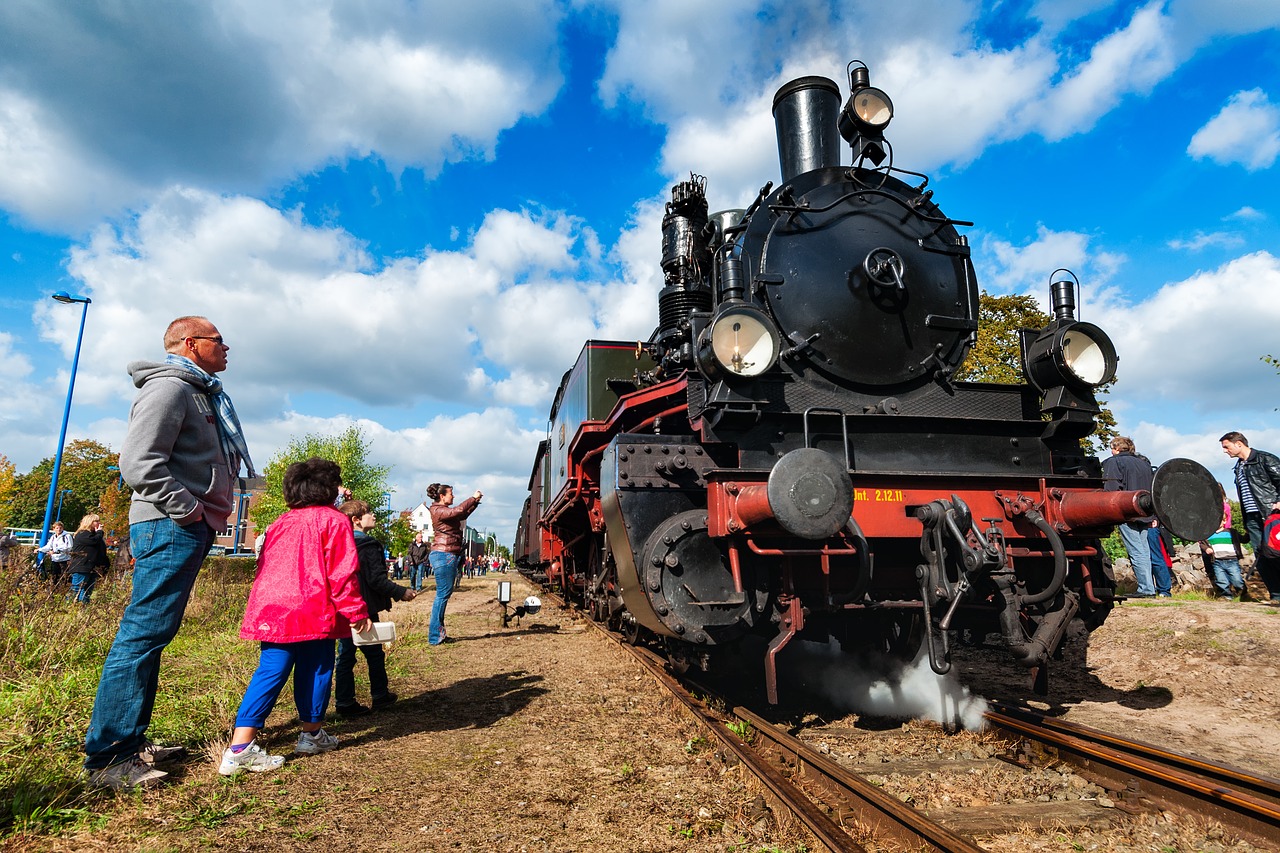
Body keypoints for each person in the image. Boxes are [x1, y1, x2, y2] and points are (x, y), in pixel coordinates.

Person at [84, 316, 256, 791]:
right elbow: (138, 462)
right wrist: (190, 511)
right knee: (142, 634)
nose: (227, 348)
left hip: (182, 526)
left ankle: (129, 742)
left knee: (153, 634)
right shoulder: (170, 389)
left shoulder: (199, 392)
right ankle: (110, 757)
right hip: (169, 525)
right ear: (191, 343)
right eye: (220, 340)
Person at [219, 458, 371, 776]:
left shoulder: (281, 522)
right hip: (313, 607)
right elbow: (343, 573)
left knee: (270, 671)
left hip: (272, 607)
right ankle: (311, 733)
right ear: (327, 488)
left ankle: (240, 746)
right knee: (316, 669)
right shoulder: (334, 521)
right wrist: (357, 612)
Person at [334, 500, 415, 716]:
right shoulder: (368, 546)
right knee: (373, 654)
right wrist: (401, 592)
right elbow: (377, 580)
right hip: (364, 609)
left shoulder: (339, 543)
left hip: (344, 606)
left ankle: (345, 702)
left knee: (346, 656)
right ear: (356, 520)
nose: (373, 516)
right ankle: (379, 696)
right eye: (369, 513)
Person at [1220, 431, 1280, 604]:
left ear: (1239, 444)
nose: (1225, 451)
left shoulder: (1264, 459)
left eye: (1226, 446)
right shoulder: (1239, 467)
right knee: (1261, 556)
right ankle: (1276, 595)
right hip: (1252, 518)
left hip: (1271, 516)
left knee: (1276, 554)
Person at [1101, 436, 1157, 597]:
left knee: (1136, 551)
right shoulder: (1144, 464)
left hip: (1126, 511)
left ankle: (1146, 589)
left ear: (1117, 448)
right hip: (1145, 510)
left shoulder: (1113, 462)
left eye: (1112, 448)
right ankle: (1149, 587)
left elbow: (1111, 488)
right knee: (1144, 551)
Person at [426, 482, 481, 645]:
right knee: (442, 595)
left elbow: (461, 515)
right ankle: (435, 636)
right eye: (451, 493)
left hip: (448, 554)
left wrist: (475, 503)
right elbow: (458, 511)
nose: (453, 496)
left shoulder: (442, 511)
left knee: (444, 595)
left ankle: (438, 633)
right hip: (444, 555)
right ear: (442, 496)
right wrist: (473, 498)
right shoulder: (438, 510)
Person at [1202, 484, 1245, 599]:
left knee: (1236, 577)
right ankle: (1225, 594)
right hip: (1216, 554)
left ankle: (1241, 592)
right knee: (1220, 577)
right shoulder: (1206, 507)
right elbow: (1202, 541)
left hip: (1229, 553)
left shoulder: (1224, 508)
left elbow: (1229, 524)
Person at [68, 514, 111, 603]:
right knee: (78, 588)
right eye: (96, 521)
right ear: (90, 522)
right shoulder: (83, 534)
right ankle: (71, 605)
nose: (99, 523)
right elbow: (93, 541)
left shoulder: (94, 535)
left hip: (91, 566)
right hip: (82, 566)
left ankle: (83, 606)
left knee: (88, 589)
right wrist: (99, 532)